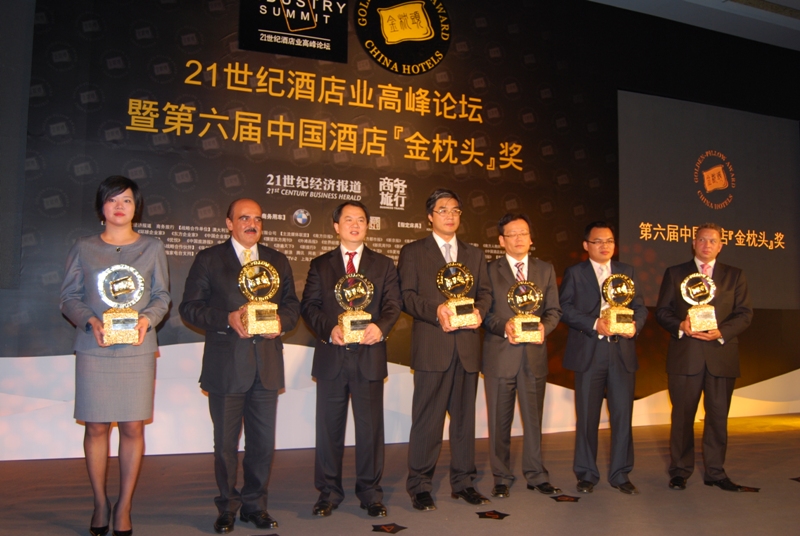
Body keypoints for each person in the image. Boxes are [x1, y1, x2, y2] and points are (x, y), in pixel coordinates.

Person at [179, 198, 300, 533]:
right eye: (244, 218)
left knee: (262, 444)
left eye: (258, 219)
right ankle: (227, 507)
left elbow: (292, 305)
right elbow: (190, 307)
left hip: (267, 365)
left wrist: (282, 322)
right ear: (229, 223)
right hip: (226, 368)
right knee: (225, 447)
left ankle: (255, 506)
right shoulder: (209, 259)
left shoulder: (277, 260)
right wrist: (226, 318)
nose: (252, 224)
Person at [60, 175, 170, 536]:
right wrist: (90, 320)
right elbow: (68, 297)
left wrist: (147, 319)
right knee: (95, 426)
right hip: (96, 347)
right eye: (112, 200)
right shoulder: (84, 247)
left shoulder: (152, 247)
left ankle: (124, 506)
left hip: (137, 348)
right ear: (101, 207)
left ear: (136, 207)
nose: (119, 206)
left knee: (132, 427)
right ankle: (100, 502)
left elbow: (162, 296)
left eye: (126, 200)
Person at [300, 201, 402, 518]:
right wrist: (329, 330)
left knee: (370, 431)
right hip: (332, 356)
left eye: (361, 220)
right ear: (336, 226)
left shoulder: (383, 264)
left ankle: (370, 493)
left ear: (367, 226)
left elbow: (393, 305)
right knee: (328, 430)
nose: (355, 225)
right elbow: (309, 306)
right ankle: (328, 493)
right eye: (348, 219)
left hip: (369, 356)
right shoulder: (321, 265)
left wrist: (380, 328)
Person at [398, 188, 492, 511]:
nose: (449, 216)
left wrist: (479, 311)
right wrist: (435, 310)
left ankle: (464, 483)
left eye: (455, 210)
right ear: (430, 216)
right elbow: (406, 296)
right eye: (442, 210)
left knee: (464, 421)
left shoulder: (474, 254)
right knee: (427, 421)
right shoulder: (414, 252)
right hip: (432, 347)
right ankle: (420, 485)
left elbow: (485, 293)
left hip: (467, 348)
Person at [655, 223, 753, 492]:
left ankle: (715, 472)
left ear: (721, 246)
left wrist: (722, 332)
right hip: (686, 356)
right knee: (682, 417)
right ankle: (680, 471)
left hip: (721, 355)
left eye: (712, 241)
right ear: (693, 243)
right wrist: (680, 325)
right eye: (702, 239)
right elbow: (662, 311)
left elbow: (744, 314)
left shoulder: (735, 275)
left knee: (718, 417)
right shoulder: (675, 273)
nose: (707, 244)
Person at [559, 221, 647, 495]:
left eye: (609, 240)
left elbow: (640, 307)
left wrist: (635, 326)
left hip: (621, 352)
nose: (605, 245)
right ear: (586, 245)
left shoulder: (627, 271)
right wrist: (595, 323)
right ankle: (586, 474)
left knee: (622, 416)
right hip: (590, 351)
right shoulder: (575, 273)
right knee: (587, 417)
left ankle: (621, 474)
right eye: (598, 241)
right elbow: (564, 308)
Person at [482, 213, 562, 498]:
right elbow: (484, 312)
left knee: (534, 420)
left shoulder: (545, 269)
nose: (519, 238)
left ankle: (536, 474)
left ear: (531, 237)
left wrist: (544, 328)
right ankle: (501, 476)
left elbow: (554, 310)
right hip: (500, 355)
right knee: (498, 422)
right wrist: (504, 327)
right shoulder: (488, 270)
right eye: (512, 234)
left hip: (533, 356)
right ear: (501, 240)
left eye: (523, 233)